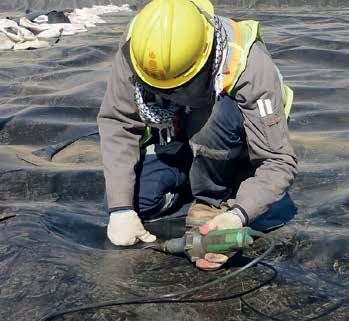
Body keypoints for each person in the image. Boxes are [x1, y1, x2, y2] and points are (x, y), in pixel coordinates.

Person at [97, 0, 298, 270]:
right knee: (136, 203)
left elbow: (278, 161)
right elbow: (118, 121)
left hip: (234, 145)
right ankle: (189, 177)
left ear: (205, 60)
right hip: (177, 139)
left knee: (215, 116)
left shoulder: (248, 64)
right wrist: (121, 209)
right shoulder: (140, 47)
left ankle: (212, 197)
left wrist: (238, 215)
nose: (166, 95)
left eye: (177, 88)